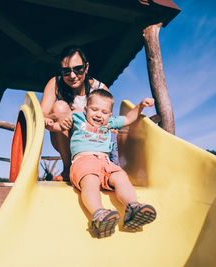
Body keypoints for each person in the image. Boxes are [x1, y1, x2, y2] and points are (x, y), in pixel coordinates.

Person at [45, 89, 157, 238]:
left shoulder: (110, 123)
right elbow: (59, 127)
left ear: (110, 115)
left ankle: (133, 207)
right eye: (94, 109)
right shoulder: (78, 117)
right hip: (83, 162)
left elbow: (129, 119)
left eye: (104, 112)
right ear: (86, 110)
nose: (99, 114)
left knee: (121, 176)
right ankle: (98, 214)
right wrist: (49, 124)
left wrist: (141, 106)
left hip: (105, 163)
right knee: (90, 180)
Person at [40, 46, 110, 181]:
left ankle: (97, 166)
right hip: (65, 139)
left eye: (78, 69)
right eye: (66, 71)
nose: (73, 76)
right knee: (59, 106)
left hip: (93, 142)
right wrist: (56, 117)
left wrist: (77, 115)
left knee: (78, 112)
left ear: (86, 67)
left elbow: (109, 121)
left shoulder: (99, 88)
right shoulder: (56, 83)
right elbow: (40, 114)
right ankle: (68, 168)